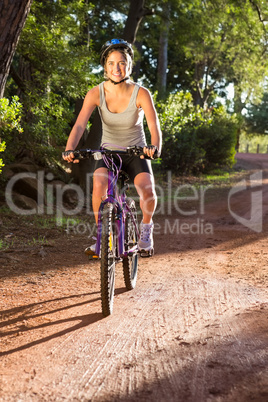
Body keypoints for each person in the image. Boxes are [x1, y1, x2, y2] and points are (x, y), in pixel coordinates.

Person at [62, 39, 162, 255]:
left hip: (136, 151)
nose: (116, 68)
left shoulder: (141, 93)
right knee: (99, 185)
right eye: (111, 63)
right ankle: (101, 236)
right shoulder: (95, 93)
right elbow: (80, 125)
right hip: (108, 151)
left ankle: (146, 230)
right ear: (105, 66)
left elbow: (154, 125)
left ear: (129, 65)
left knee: (147, 189)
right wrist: (70, 148)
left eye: (122, 63)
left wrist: (154, 147)